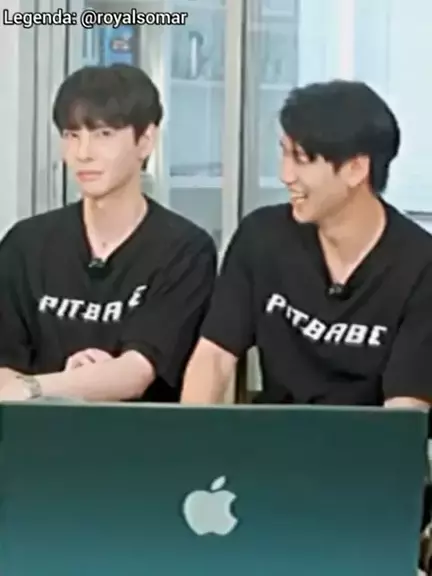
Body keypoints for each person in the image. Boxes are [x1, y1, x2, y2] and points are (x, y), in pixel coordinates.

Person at [181, 79, 432, 410]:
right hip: (273, 437)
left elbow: (406, 407)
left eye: (301, 158)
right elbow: (214, 356)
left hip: (368, 441)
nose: (286, 175)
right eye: (284, 153)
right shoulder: (262, 237)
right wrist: (189, 433)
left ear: (356, 169)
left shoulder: (420, 266)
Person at [0, 63, 217, 403]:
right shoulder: (25, 244)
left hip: (139, 433)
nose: (83, 153)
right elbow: (4, 366)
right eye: (72, 135)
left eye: (104, 134)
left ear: (145, 141)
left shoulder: (184, 250)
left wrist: (39, 387)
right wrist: (62, 383)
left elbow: (136, 373)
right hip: (35, 431)